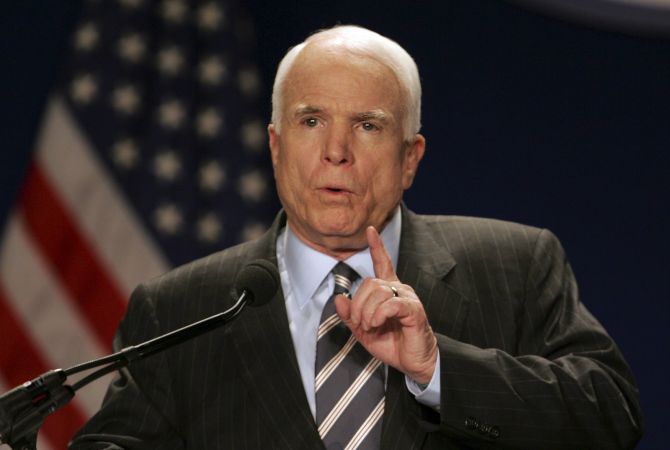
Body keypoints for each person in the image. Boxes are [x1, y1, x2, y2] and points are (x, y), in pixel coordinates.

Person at [70, 25, 643, 449]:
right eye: (311, 121)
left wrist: (438, 369)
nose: (336, 151)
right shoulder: (180, 309)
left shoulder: (514, 267)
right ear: (275, 146)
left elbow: (612, 416)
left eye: (368, 126)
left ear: (410, 158)